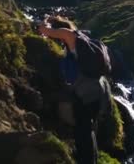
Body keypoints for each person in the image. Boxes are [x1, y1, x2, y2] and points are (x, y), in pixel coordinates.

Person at [38, 16, 111, 164]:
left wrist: (46, 23)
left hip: (86, 92)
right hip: (98, 90)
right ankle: (91, 160)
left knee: (82, 131)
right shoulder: (83, 39)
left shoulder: (70, 36)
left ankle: (86, 161)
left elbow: (45, 31)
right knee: (88, 129)